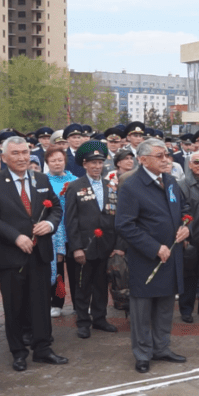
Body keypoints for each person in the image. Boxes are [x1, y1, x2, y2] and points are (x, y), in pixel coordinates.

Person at [0, 136, 66, 371]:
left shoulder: (41, 179)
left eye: (24, 153)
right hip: (11, 255)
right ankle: (18, 352)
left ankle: (43, 349)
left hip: (40, 253)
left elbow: (55, 208)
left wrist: (49, 225)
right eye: (15, 153)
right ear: (4, 157)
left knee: (40, 304)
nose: (21, 157)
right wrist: (15, 237)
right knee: (14, 306)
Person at [115, 138, 190, 373]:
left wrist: (186, 225)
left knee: (166, 306)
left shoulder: (170, 181)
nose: (165, 159)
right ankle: (143, 353)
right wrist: (153, 247)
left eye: (166, 154)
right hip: (146, 258)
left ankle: (162, 347)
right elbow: (125, 225)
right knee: (142, 309)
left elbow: (184, 209)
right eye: (159, 156)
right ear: (142, 159)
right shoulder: (131, 185)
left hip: (171, 255)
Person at [64, 141, 119, 339]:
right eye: (93, 163)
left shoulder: (111, 186)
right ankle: (83, 321)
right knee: (82, 285)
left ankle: (100, 318)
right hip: (84, 247)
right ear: (84, 164)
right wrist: (76, 247)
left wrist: (116, 245)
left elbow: (116, 216)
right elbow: (71, 220)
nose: (97, 167)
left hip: (106, 245)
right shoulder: (75, 186)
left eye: (100, 162)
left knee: (102, 284)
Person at [177, 151, 199, 323]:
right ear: (190, 165)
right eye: (196, 162)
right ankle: (186, 309)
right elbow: (180, 213)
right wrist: (185, 236)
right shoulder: (182, 185)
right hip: (191, 237)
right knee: (189, 275)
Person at [45, 144, 78, 317]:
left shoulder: (75, 181)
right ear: (47, 162)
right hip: (53, 230)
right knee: (56, 266)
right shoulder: (42, 181)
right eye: (53, 161)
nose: (57, 164)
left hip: (71, 228)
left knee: (75, 265)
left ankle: (78, 303)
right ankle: (57, 302)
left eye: (60, 160)